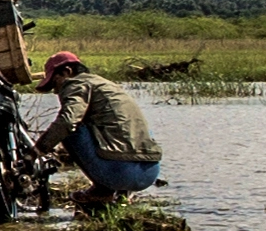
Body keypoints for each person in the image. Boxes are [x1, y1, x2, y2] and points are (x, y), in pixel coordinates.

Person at [26, 50, 165, 208]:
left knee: (69, 129)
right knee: (128, 128)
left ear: (67, 72)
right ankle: (122, 194)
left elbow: (67, 122)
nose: (56, 91)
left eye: (55, 82)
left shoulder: (75, 83)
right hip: (149, 172)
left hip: (119, 173)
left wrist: (36, 152)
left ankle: (102, 191)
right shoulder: (106, 85)